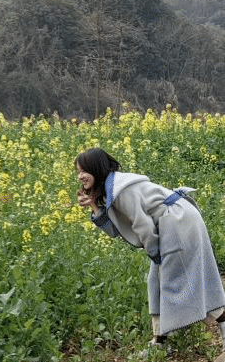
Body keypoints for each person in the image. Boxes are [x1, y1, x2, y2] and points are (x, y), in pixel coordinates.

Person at [75, 147, 225, 347]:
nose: (80, 176)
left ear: (96, 168)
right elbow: (115, 231)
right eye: (78, 172)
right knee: (155, 281)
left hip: (177, 222)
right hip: (173, 222)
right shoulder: (112, 188)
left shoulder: (121, 190)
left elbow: (143, 226)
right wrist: (94, 206)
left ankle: (222, 319)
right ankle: (159, 341)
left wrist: (154, 253)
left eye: (84, 171)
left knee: (179, 282)